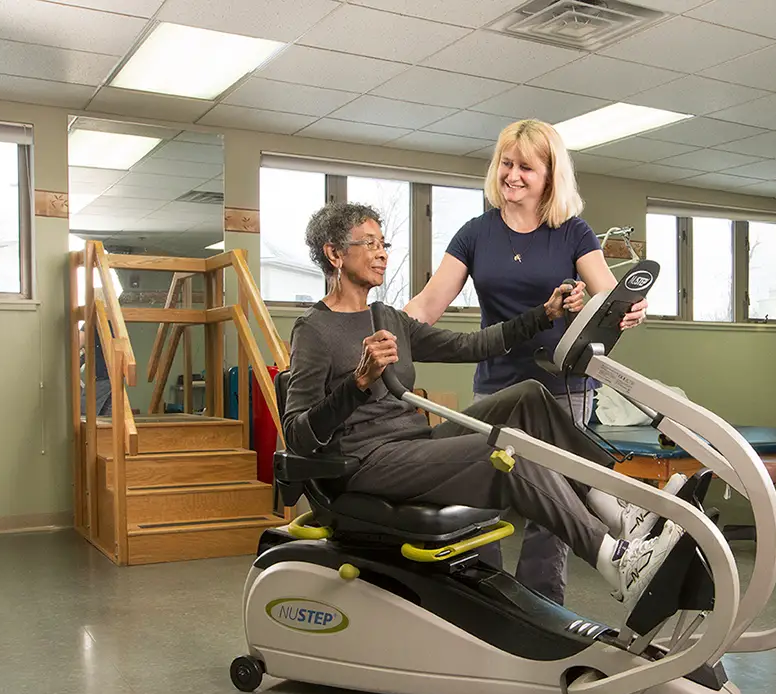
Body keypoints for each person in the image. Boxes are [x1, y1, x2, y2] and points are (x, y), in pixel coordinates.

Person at [281, 201, 683, 609]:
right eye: (369, 243)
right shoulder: (314, 330)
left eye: (384, 243)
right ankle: (617, 562)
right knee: (507, 453)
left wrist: (543, 315)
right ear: (334, 253)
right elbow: (297, 434)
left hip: (414, 443)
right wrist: (358, 383)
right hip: (369, 460)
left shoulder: (387, 317)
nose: (383, 253)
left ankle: (618, 511)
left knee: (528, 397)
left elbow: (471, 345)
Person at [404, 119, 669, 604]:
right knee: (485, 489)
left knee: (555, 505)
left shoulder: (572, 233)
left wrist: (630, 309)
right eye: (506, 164)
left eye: (526, 167)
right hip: (497, 386)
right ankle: (484, 600)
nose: (512, 175)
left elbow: (609, 299)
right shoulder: (475, 234)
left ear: (550, 175)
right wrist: (378, 327)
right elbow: (426, 305)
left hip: (563, 386)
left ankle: (540, 608)